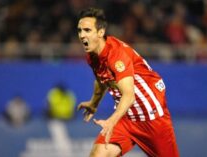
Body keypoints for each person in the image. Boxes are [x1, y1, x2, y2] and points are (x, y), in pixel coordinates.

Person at [77, 8, 179, 157]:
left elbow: (129, 96)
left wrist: (111, 121)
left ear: (100, 32)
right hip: (126, 118)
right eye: (79, 30)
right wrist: (94, 103)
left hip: (152, 119)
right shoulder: (92, 55)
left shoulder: (117, 55)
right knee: (98, 154)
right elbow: (101, 80)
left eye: (87, 30)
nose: (82, 35)